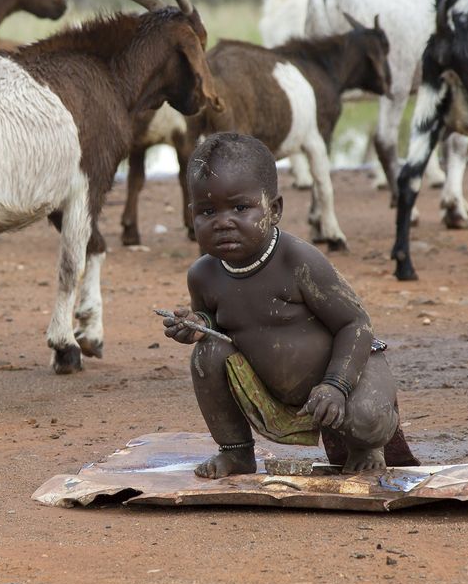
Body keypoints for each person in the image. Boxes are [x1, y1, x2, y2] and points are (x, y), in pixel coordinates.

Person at [163, 132, 417, 478]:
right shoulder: (204, 275)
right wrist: (194, 323)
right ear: (191, 214)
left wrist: (336, 384)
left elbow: (355, 324)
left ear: (274, 209)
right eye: (208, 211)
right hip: (275, 389)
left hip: (347, 375)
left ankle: (366, 446)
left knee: (367, 419)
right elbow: (218, 331)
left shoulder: (299, 261)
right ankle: (236, 452)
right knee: (207, 353)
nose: (223, 221)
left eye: (240, 208)